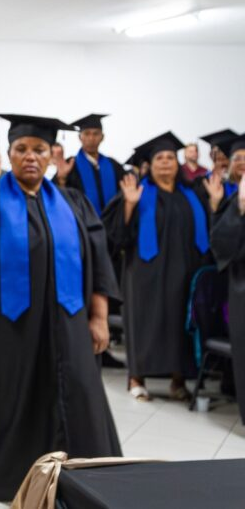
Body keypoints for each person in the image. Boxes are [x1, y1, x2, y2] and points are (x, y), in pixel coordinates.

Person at [0, 114, 121, 502]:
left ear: (52, 155)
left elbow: (98, 258)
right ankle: (17, 494)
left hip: (69, 331)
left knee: (81, 410)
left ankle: (81, 492)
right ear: (9, 154)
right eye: (21, 150)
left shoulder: (72, 203)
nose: (30, 157)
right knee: (16, 414)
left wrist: (99, 316)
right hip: (8, 336)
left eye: (39, 150)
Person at [102, 132, 210, 402]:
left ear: (178, 162)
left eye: (171, 158)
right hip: (144, 274)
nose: (165, 162)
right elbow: (116, 235)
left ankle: (178, 379)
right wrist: (128, 204)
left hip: (183, 271)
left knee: (178, 324)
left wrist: (217, 203)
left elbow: (207, 231)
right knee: (144, 323)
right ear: (150, 164)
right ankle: (137, 378)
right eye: (159, 158)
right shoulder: (138, 192)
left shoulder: (191, 195)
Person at [210, 143, 245, 423]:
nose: (243, 163)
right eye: (239, 159)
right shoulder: (233, 201)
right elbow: (221, 245)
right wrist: (240, 210)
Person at [55, 114, 125, 216]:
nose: (91, 138)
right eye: (87, 134)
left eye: (96, 134)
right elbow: (59, 199)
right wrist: (61, 178)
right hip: (83, 227)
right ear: (80, 137)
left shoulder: (113, 165)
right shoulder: (70, 165)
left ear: (102, 137)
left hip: (112, 227)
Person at [198, 134, 245, 214]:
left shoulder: (238, 180)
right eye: (218, 158)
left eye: (225, 156)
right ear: (211, 156)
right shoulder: (202, 182)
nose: (222, 157)